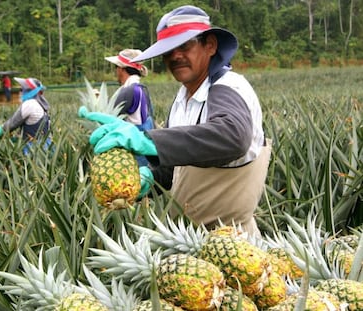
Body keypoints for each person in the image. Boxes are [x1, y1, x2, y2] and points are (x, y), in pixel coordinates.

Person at [80, 5, 271, 236]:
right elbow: (180, 165)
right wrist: (150, 178)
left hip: (233, 243)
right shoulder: (182, 99)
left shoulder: (229, 86)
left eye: (185, 45)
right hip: (188, 239)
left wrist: (148, 140)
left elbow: (232, 137)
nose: (175, 56)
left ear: (209, 45)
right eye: (168, 50)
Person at [103, 48, 155, 166]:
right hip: (145, 146)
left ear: (121, 69)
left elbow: (109, 119)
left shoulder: (128, 90)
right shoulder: (141, 88)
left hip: (135, 151)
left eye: (117, 68)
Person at [0, 77, 52, 155]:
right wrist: (18, 137)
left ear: (29, 91)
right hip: (46, 145)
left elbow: (14, 122)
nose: (20, 92)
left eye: (21, 90)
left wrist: (2, 129)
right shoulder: (41, 105)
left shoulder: (29, 104)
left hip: (33, 148)